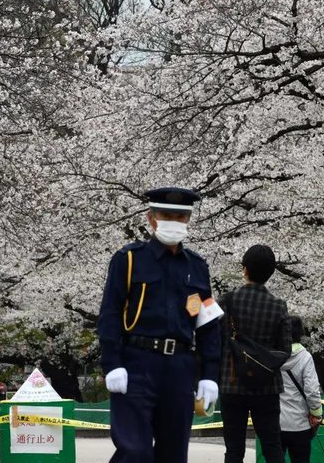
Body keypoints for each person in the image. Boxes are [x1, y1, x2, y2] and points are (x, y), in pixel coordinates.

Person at [97, 187, 221, 463]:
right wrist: (112, 363)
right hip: (136, 364)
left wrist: (210, 374)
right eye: (167, 215)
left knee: (174, 454)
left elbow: (208, 325)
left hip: (179, 367)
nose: (174, 222)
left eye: (181, 216)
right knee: (135, 452)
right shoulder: (128, 260)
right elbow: (110, 314)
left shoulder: (198, 266)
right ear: (151, 217)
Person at [218, 244, 292, 463]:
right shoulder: (279, 306)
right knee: (272, 445)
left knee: (233, 448)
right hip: (266, 386)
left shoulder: (227, 301)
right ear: (270, 274)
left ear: (245, 269)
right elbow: (285, 350)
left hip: (232, 383)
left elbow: (214, 338)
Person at [278, 315, 323, 463]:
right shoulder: (305, 357)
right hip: (300, 424)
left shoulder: (272, 356)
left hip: (275, 423)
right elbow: (312, 390)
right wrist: (316, 413)